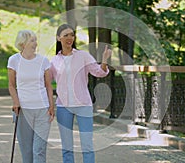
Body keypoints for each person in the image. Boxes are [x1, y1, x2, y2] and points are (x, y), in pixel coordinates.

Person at [50, 24, 112, 163]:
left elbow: (99, 72)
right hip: (63, 107)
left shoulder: (83, 56)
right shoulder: (54, 61)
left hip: (83, 105)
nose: (69, 38)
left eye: (72, 35)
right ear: (58, 38)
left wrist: (104, 60)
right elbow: (45, 82)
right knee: (67, 147)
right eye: (65, 35)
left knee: (87, 145)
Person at [7, 30, 55, 163]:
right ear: (23, 44)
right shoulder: (14, 60)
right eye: (32, 40)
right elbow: (11, 85)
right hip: (23, 110)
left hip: (42, 109)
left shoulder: (43, 61)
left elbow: (48, 86)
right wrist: (16, 102)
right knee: (26, 150)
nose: (35, 43)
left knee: (39, 149)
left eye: (35, 40)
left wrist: (51, 106)